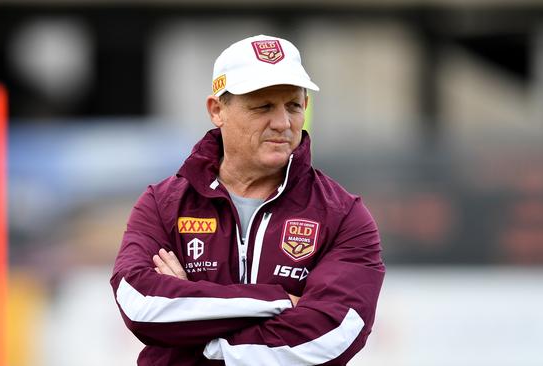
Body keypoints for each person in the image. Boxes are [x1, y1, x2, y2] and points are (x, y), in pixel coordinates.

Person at [110, 34, 385, 365]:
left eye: (293, 106)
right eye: (263, 106)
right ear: (217, 110)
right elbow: (141, 304)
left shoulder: (343, 215)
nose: (282, 123)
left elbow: (335, 332)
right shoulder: (162, 203)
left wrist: (206, 339)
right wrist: (279, 301)